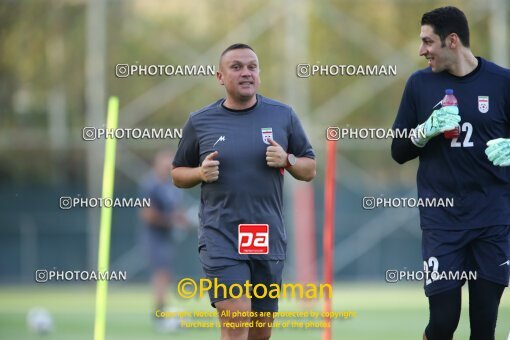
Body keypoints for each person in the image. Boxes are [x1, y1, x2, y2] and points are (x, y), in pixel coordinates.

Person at [172, 43, 316, 340]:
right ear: (220, 77)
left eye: (252, 66)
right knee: (236, 321)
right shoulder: (200, 121)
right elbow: (177, 173)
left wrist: (287, 160)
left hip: (267, 235)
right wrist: (199, 173)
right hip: (221, 235)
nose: (246, 72)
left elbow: (309, 168)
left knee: (260, 333)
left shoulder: (283, 115)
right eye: (236, 67)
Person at [391, 6, 510, 340]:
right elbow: (397, 151)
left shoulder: (503, 82)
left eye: (428, 41)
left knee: (484, 326)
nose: (421, 50)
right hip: (442, 221)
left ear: (452, 41)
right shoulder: (419, 84)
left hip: (493, 220)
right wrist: (422, 131)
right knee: (443, 322)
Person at [139, 150, 188, 332]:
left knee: (166, 274)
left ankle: (162, 309)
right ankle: (158, 313)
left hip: (167, 237)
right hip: (154, 237)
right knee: (161, 273)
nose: (168, 168)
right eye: (165, 164)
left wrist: (182, 219)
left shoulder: (171, 185)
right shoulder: (150, 184)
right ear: (156, 164)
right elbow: (146, 214)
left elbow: (176, 210)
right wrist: (170, 220)